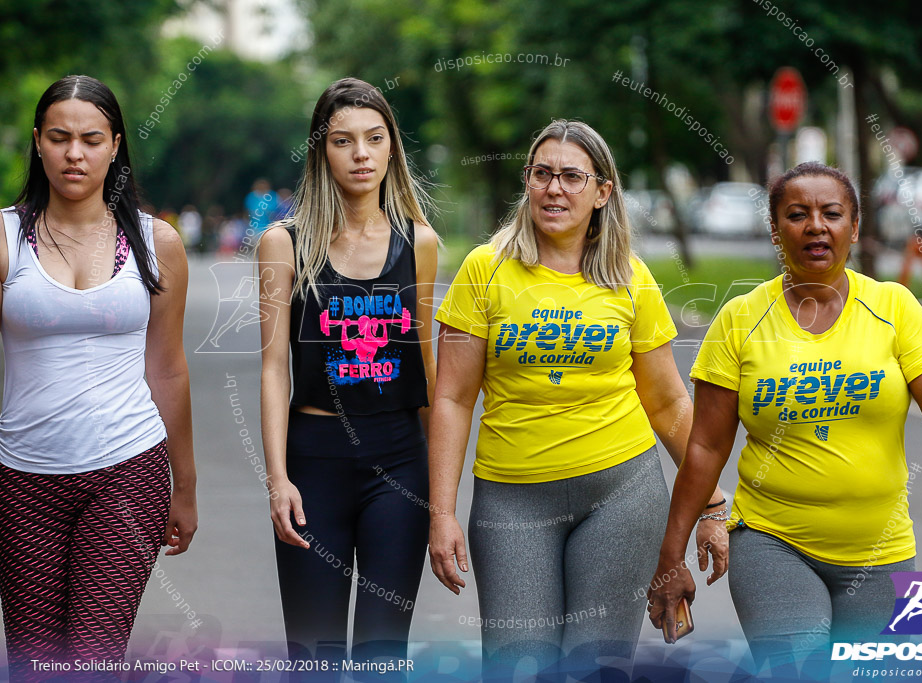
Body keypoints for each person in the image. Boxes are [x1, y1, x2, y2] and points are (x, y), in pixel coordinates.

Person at [647, 162, 922, 673]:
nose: (815, 226)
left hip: (883, 551)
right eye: (797, 214)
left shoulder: (893, 307)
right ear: (776, 229)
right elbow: (706, 447)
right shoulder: (741, 319)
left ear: (855, 226)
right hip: (772, 543)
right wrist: (670, 557)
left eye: (831, 213)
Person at [429, 119, 728, 680]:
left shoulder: (630, 279)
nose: (555, 189)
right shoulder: (485, 270)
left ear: (602, 192)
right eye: (541, 174)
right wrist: (441, 512)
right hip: (512, 500)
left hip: (622, 493)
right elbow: (452, 399)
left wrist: (711, 503)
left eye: (572, 176)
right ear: (527, 183)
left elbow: (667, 405)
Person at [0, 75, 197, 680]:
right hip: (21, 479)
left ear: (115, 145)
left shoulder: (155, 241)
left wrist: (183, 485)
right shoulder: (6, 236)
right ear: (38, 143)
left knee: (93, 659)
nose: (74, 154)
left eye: (90, 139)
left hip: (127, 472)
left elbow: (166, 366)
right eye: (59, 138)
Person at [258, 77, 438, 674]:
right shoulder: (283, 244)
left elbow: (434, 379)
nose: (360, 154)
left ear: (392, 149)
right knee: (314, 659)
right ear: (321, 151)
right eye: (343, 140)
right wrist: (278, 478)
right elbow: (273, 366)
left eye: (374, 138)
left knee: (383, 656)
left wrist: (442, 501)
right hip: (313, 463)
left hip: (399, 464)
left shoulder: (421, 243)